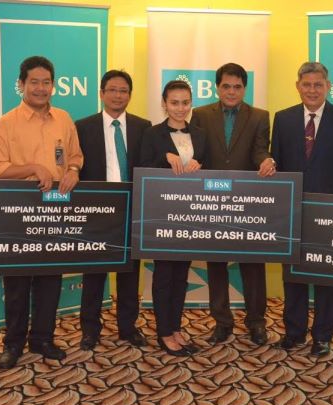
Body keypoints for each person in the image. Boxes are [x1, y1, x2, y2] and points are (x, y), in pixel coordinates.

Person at [0, 56, 83, 369]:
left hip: (55, 210)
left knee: (50, 279)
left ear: (53, 85)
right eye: (34, 82)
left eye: (46, 82)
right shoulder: (5, 124)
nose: (41, 88)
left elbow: (75, 157)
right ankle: (13, 343)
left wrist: (73, 171)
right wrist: (33, 168)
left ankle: (43, 338)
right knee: (16, 284)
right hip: (18, 212)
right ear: (21, 84)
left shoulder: (64, 119)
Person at [271, 62, 333, 357]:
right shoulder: (282, 119)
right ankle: (294, 332)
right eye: (306, 84)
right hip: (293, 211)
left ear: (328, 86)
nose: (312, 90)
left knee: (326, 277)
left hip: (329, 212)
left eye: (318, 85)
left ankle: (323, 336)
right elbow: (278, 166)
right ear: (298, 86)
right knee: (293, 274)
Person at [190, 62, 276, 346]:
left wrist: (266, 160)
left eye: (237, 87)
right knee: (216, 264)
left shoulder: (260, 116)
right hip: (212, 200)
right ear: (217, 87)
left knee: (253, 265)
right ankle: (222, 322)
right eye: (226, 86)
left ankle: (256, 322)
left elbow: (260, 150)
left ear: (244, 89)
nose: (231, 91)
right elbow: (198, 153)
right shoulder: (201, 115)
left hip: (247, 202)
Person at [75, 69, 151, 351]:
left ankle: (128, 328)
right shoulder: (83, 127)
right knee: (94, 274)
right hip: (96, 209)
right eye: (113, 90)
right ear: (101, 93)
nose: (118, 96)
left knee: (129, 273)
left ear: (130, 95)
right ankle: (90, 330)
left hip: (131, 207)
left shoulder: (144, 127)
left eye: (124, 91)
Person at [140, 80, 207, 356]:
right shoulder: (151, 134)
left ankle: (176, 327)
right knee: (164, 275)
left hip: (190, 216)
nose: (180, 108)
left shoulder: (201, 135)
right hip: (161, 216)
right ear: (164, 104)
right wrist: (163, 157)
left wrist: (201, 166)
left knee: (181, 275)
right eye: (174, 102)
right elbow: (141, 169)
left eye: (185, 102)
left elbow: (211, 173)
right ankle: (164, 332)